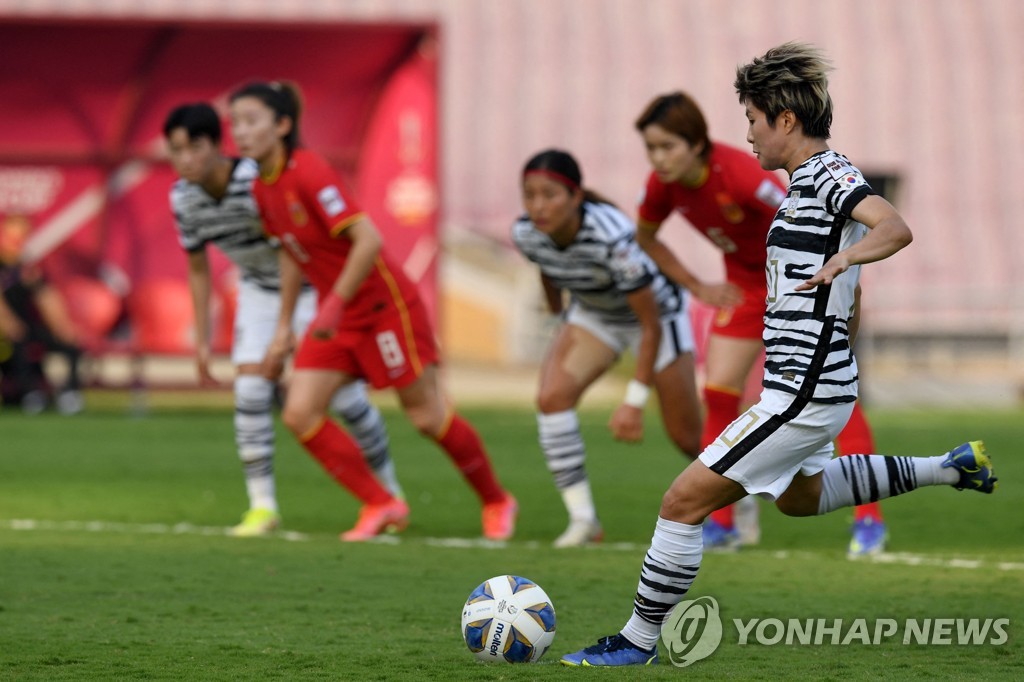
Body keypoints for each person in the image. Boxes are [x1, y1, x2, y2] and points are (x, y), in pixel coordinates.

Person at [560, 41, 997, 667]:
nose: (748, 134)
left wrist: (847, 259)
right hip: (804, 384)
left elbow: (893, 227)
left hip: (803, 389)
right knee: (796, 498)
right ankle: (950, 468)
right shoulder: (798, 186)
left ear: (785, 121)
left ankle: (636, 641)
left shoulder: (827, 176)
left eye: (753, 120)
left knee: (682, 502)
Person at [228, 81, 517, 542]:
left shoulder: (310, 171)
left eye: (250, 121)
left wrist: (333, 304)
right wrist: (284, 327)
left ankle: (497, 500)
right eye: (235, 122)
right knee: (300, 413)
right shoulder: (262, 186)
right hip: (338, 314)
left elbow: (368, 240)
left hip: (383, 307)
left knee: (426, 418)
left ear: (282, 125)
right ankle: (382, 503)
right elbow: (289, 253)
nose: (239, 132)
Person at [633, 90, 889, 556]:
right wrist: (697, 285)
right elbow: (645, 237)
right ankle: (723, 524)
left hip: (800, 286)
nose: (658, 158)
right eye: (651, 148)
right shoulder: (662, 185)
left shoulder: (743, 176)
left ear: (696, 143)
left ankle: (869, 522)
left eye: (667, 146)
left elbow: (824, 226)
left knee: (830, 393)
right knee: (718, 391)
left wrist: (848, 291)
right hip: (746, 290)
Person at [163, 103, 404, 537]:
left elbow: (289, 250)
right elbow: (198, 267)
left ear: (217, 146)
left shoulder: (252, 182)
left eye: (194, 147)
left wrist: (284, 330)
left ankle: (388, 491)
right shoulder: (183, 197)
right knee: (251, 390)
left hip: (310, 284)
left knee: (346, 401)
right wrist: (201, 339)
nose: (185, 159)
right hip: (258, 289)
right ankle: (262, 507)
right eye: (175, 150)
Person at [512, 149, 702, 548]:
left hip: (656, 317)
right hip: (596, 313)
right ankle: (583, 520)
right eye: (529, 195)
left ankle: (742, 506)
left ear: (576, 196)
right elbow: (548, 266)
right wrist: (556, 317)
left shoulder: (612, 237)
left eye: (549, 194)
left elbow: (648, 325)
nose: (538, 206)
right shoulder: (526, 232)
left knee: (687, 437)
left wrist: (633, 401)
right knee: (551, 399)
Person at [0, 214, 85, 415]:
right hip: (5, 333)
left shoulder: (26, 267)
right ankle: (30, 394)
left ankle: (69, 394)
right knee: (19, 341)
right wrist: (8, 324)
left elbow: (47, 297)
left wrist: (62, 326)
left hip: (26, 326)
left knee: (69, 345)